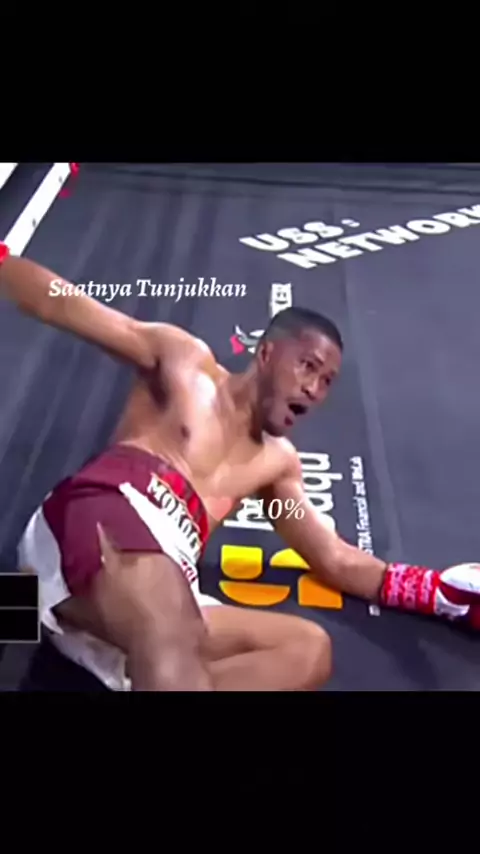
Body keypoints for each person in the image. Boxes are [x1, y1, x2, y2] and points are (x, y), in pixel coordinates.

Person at [0, 243, 479, 691]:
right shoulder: (184, 365)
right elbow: (62, 304)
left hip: (147, 591)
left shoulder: (276, 467)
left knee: (306, 649)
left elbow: (334, 559)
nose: (314, 388)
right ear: (266, 353)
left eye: (327, 381)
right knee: (173, 629)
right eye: (308, 366)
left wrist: (439, 594)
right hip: (106, 515)